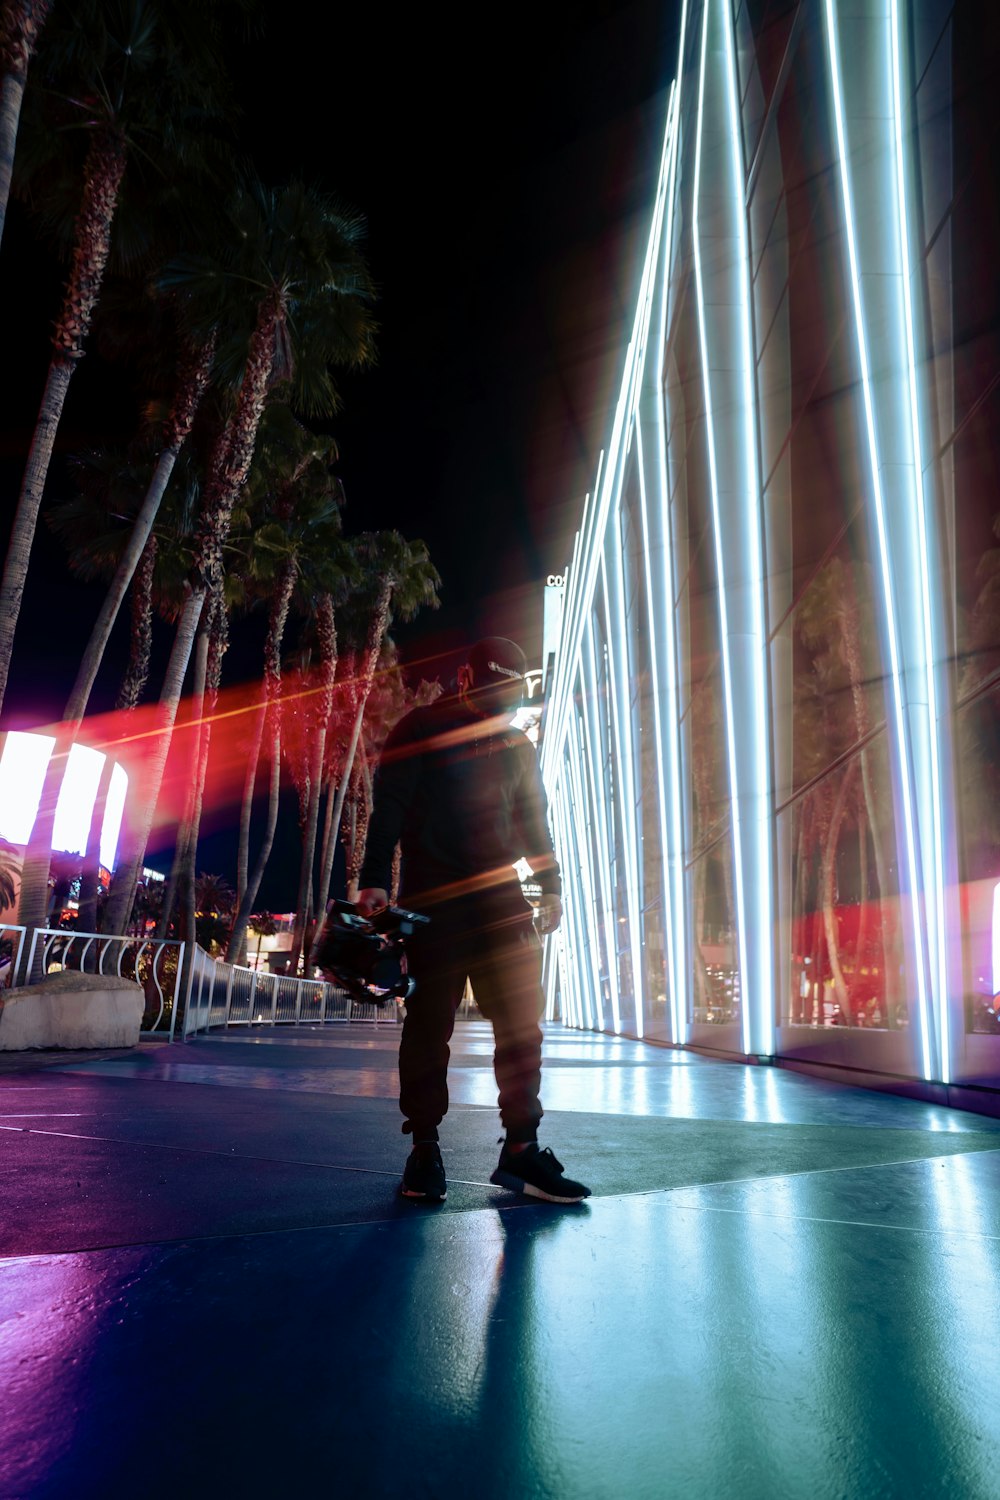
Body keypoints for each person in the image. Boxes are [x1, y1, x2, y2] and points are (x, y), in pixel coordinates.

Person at [357, 636, 591, 1205]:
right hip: (431, 899)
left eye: (509, 697)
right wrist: (372, 881)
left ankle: (521, 1150)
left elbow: (534, 821)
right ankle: (424, 1148)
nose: (500, 706)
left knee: (521, 1026)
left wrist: (551, 884)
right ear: (465, 678)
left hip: (500, 897)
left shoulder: (516, 746)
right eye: (493, 692)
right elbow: (387, 807)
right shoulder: (418, 729)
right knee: (428, 1026)